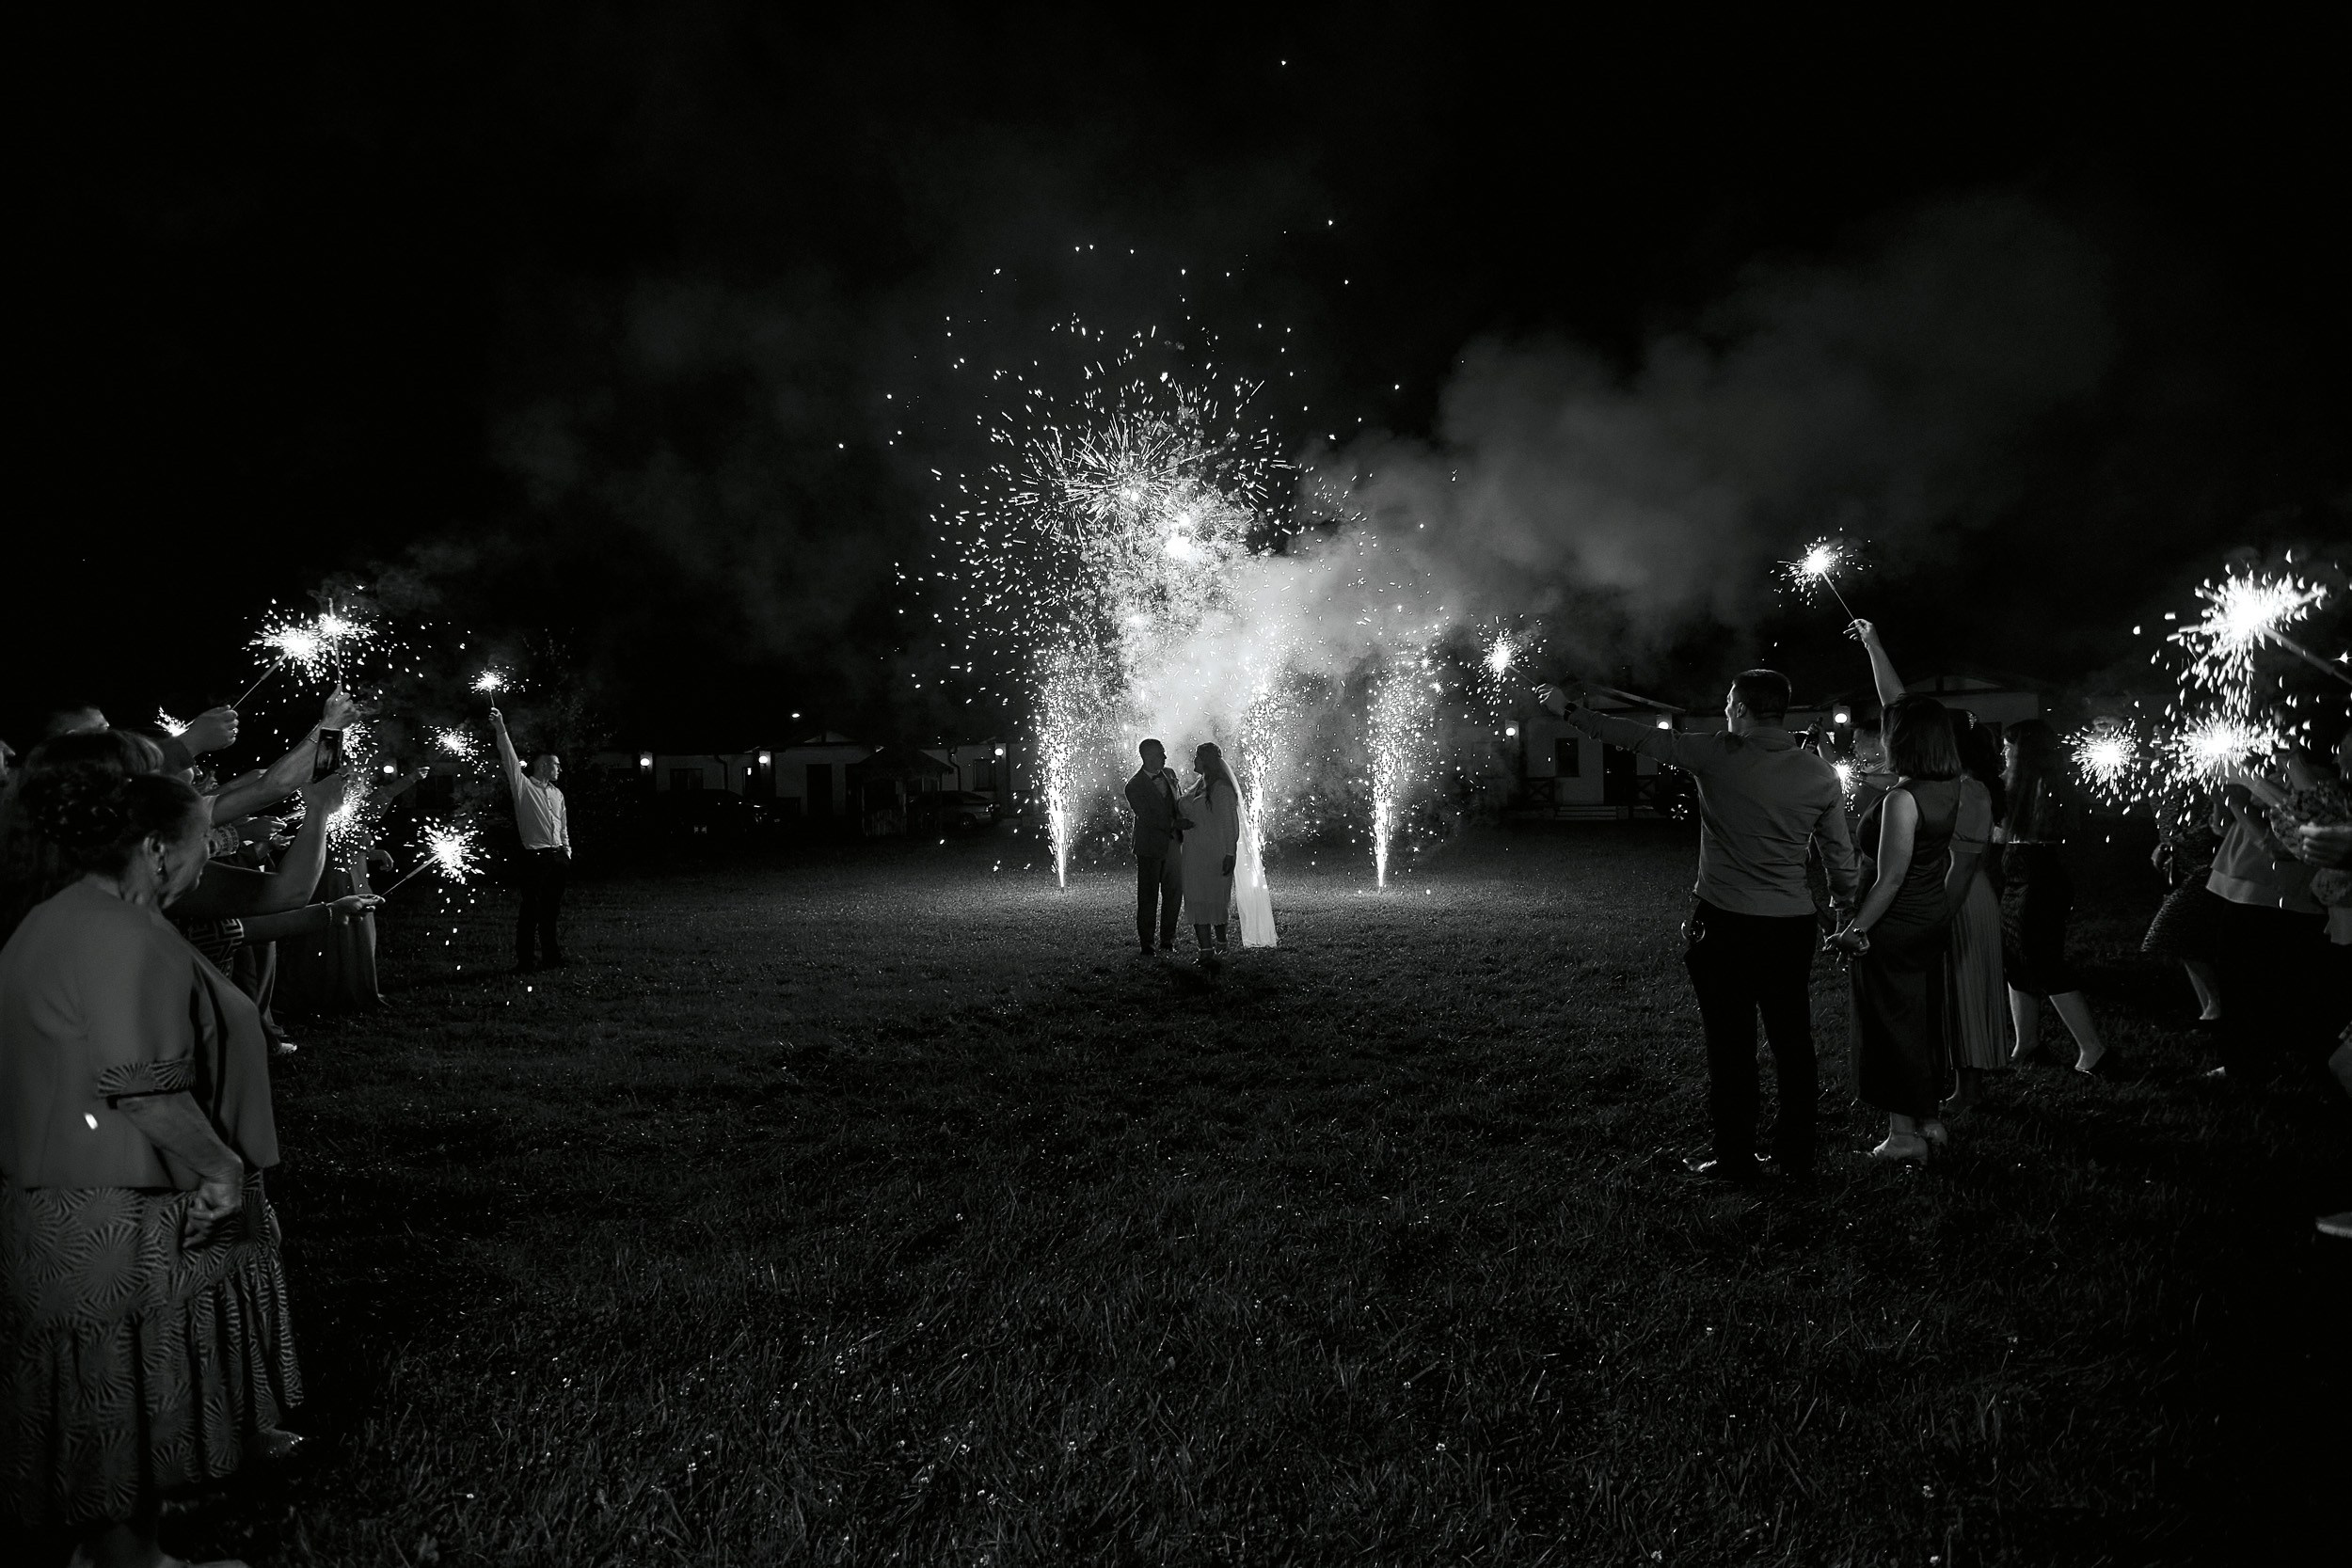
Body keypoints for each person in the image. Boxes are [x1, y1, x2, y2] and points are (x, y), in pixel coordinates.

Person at [0, 766, 300, 1565]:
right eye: (204, 842)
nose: (208, 859)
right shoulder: (118, 934)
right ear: (157, 849)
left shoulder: (63, 917)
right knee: (124, 1387)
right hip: (117, 1211)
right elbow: (143, 1087)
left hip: (73, 1199)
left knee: (109, 1395)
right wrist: (222, 1170)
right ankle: (128, 1559)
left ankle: (119, 1549)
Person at [1549, 671, 1858, 1181]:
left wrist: (1568, 711)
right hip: (1789, 926)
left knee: (1731, 1043)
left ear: (1739, 706)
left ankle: (1736, 1157)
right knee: (1793, 1040)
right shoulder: (1820, 774)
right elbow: (1839, 859)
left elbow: (1639, 737)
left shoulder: (1718, 752)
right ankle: (1796, 1153)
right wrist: (1848, 913)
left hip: (1727, 923)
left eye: (1728, 702)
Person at [1848, 621, 2007, 1114]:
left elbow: (1951, 868)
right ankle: (1930, 1104)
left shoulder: (1941, 793)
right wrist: (1875, 645)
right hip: (1925, 904)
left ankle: (1935, 1104)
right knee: (1928, 1006)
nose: (1885, 735)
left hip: (1939, 902)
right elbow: (1898, 704)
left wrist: (1932, 918)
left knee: (1935, 1005)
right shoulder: (1934, 780)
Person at [1826, 697, 1968, 1163]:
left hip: (1894, 924)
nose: (1880, 739)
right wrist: (1873, 645)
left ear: (1903, 740)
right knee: (1919, 1018)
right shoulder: (1947, 785)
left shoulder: (1903, 799)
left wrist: (1855, 930)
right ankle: (1929, 1120)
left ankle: (1903, 1137)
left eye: (1888, 732)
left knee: (1890, 1027)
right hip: (1929, 918)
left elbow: (1891, 876)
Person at [1998, 720, 2112, 1074]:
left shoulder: (2042, 787)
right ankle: (2027, 1043)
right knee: (2016, 960)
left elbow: (2010, 833)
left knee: (2045, 962)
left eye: (2008, 747)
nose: (2004, 753)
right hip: (2020, 877)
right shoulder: (2022, 783)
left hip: (2038, 880)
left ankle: (2093, 1050)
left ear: (2024, 752)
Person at [488, 706, 570, 971]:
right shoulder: (523, 787)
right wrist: (501, 727)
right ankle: (525, 961)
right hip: (535, 858)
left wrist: (566, 850)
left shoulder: (556, 794)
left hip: (557, 857)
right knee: (530, 912)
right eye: (556, 764)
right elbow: (509, 758)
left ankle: (551, 957)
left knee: (551, 911)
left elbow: (563, 825)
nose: (560, 768)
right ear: (543, 765)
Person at [1122, 738, 1190, 956]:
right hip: (1149, 846)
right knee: (1148, 896)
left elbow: (1178, 801)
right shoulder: (1134, 786)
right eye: (1161, 753)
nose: (1165, 757)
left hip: (1173, 844)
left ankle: (1168, 941)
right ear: (1147, 756)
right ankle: (1147, 944)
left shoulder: (1169, 774)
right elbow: (1147, 816)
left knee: (1173, 894)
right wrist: (1174, 824)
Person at [1180, 742, 1243, 965]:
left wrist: (1229, 853)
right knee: (1197, 897)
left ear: (1206, 760)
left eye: (1197, 756)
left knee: (1214, 898)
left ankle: (1219, 945)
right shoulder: (1200, 785)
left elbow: (1229, 823)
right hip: (1194, 852)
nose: (1193, 760)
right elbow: (1184, 806)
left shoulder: (1222, 789)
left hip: (1214, 852)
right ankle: (1206, 948)